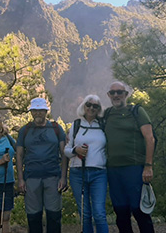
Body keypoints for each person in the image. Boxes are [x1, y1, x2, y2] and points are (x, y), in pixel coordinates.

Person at [104, 82, 155, 233]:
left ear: (126, 94)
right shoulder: (107, 114)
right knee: (121, 212)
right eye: (112, 93)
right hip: (113, 170)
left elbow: (150, 138)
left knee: (139, 210)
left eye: (119, 92)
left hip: (134, 168)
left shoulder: (137, 111)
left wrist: (148, 166)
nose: (116, 95)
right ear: (108, 95)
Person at [16, 97, 68, 233]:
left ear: (46, 111)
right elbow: (19, 155)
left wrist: (63, 177)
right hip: (31, 177)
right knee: (33, 216)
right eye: (35, 110)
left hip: (53, 177)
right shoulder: (25, 130)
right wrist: (20, 179)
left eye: (41, 110)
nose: (38, 113)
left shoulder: (56, 128)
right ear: (31, 112)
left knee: (54, 215)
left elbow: (64, 154)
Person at [64, 95, 108, 233]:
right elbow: (66, 150)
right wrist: (75, 150)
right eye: (89, 105)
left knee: (99, 213)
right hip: (78, 173)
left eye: (95, 106)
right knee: (85, 213)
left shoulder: (103, 125)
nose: (91, 108)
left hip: (99, 173)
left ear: (99, 109)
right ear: (84, 105)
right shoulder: (76, 125)